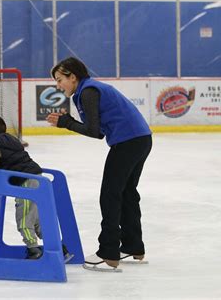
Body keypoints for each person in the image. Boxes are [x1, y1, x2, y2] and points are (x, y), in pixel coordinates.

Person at [46, 57, 152, 272]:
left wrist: (66, 123)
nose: (58, 86)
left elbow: (95, 132)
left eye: (60, 80)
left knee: (111, 195)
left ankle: (108, 252)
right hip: (140, 138)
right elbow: (98, 130)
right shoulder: (89, 89)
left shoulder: (88, 92)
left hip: (128, 142)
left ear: (72, 77)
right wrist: (69, 122)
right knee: (126, 193)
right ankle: (133, 245)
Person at [0, 116, 73, 261]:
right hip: (36, 177)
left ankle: (33, 251)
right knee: (36, 220)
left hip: (25, 182)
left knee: (24, 219)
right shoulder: (11, 140)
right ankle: (61, 250)